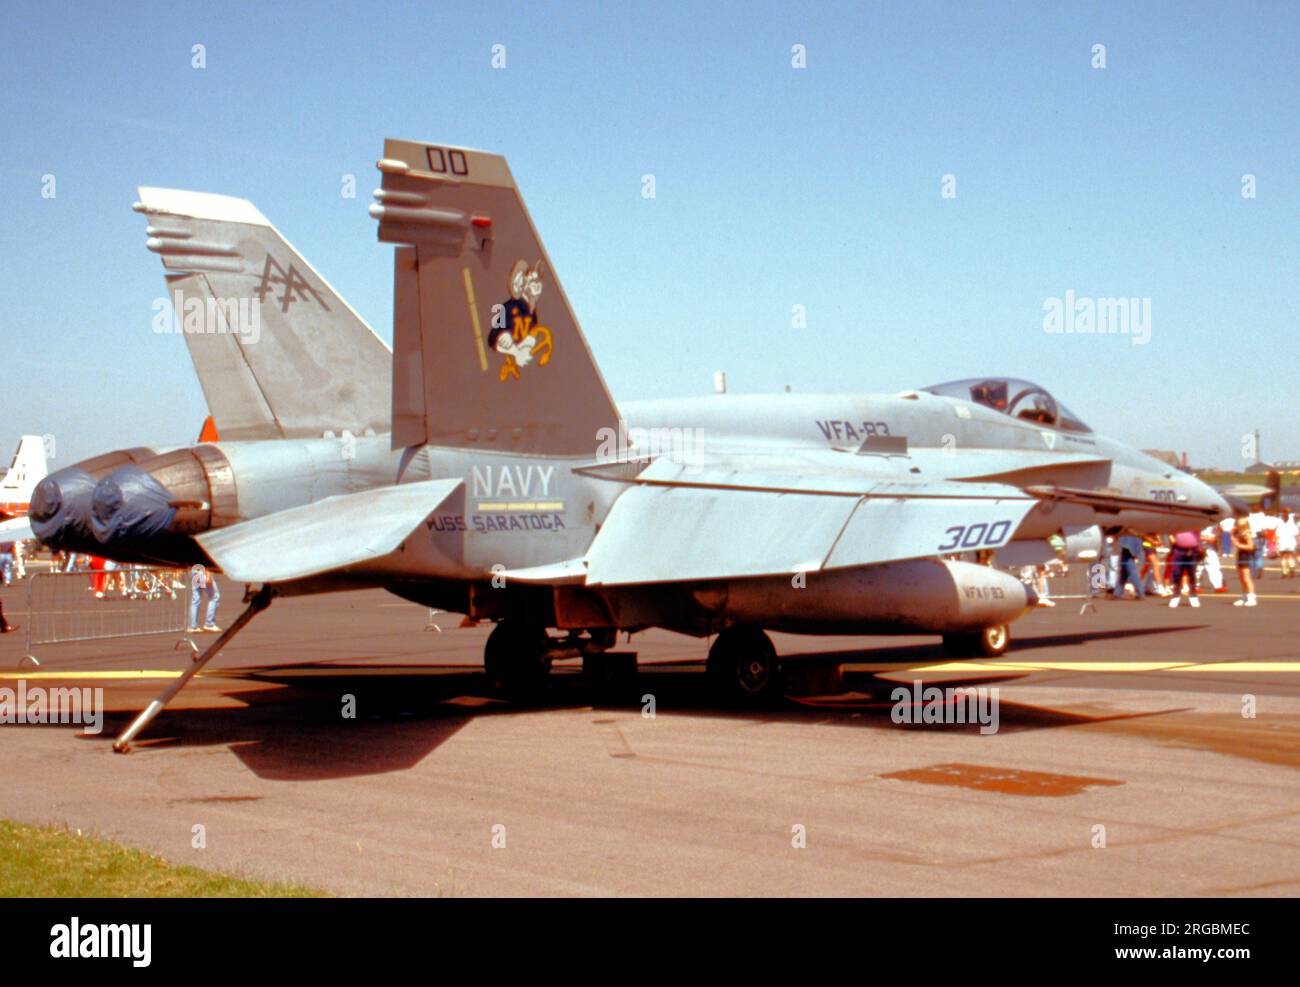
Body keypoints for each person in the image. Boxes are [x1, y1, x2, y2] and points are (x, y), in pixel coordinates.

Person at [1167, 529, 1202, 607]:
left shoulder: (1196, 522)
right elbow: (1169, 527)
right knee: (1176, 573)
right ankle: (1176, 596)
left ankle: (1193, 596)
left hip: (1192, 549)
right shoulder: (1180, 522)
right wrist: (1171, 537)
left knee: (1192, 573)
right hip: (1178, 549)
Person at [1232, 517, 1258, 607]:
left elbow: (1251, 547)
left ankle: (1251, 597)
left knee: (1247, 578)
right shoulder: (1240, 534)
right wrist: (1233, 535)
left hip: (1246, 557)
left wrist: (1239, 545)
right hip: (1240, 556)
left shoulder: (1247, 534)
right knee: (1241, 578)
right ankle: (1244, 596)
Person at [188, 564, 221, 633]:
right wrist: (208, 575)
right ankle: (209, 623)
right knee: (214, 596)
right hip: (202, 572)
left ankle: (193, 626)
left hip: (194, 571)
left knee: (196, 599)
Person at [1114, 532, 1145, 600]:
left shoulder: (1129, 532)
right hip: (1127, 552)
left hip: (1128, 552)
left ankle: (1140, 593)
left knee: (1133, 574)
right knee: (1123, 574)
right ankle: (1117, 593)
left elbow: (1127, 544)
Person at [1198, 524, 1225, 592]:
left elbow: (1213, 539)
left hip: (1209, 548)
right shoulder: (1194, 524)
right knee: (1197, 569)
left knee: (1214, 567)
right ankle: (1195, 585)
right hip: (1196, 548)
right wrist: (1203, 538)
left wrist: (1202, 538)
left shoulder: (1213, 526)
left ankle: (1218, 585)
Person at [1277, 511, 1298, 579]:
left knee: (1283, 558)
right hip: (1291, 543)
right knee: (1291, 558)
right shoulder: (1293, 525)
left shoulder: (1280, 525)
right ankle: (1292, 571)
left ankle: (1284, 573)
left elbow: (1277, 536)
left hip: (1282, 543)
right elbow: (1297, 534)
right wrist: (1298, 543)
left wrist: (1276, 545)